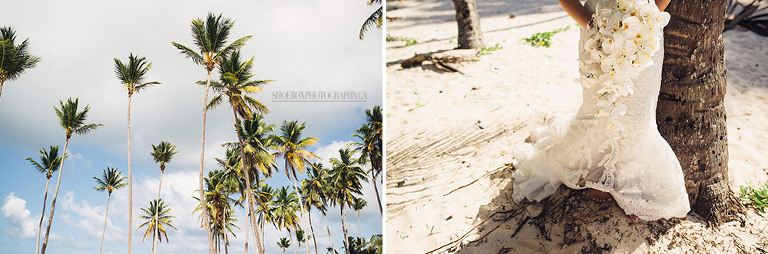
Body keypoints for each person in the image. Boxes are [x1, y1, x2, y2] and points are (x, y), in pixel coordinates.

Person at [511, 0, 690, 222]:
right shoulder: (595, 27)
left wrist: (648, 17)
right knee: (597, 110)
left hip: (643, 29)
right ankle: (599, 175)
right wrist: (592, 26)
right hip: (598, 27)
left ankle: (628, 182)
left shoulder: (646, 23)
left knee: (638, 114)